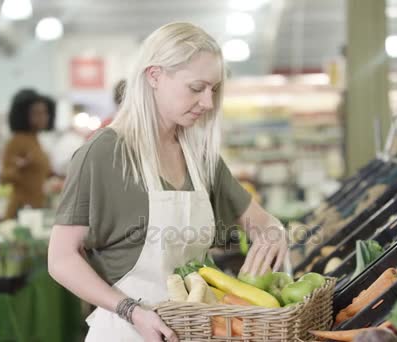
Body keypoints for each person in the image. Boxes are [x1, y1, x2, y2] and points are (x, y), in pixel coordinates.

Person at [47, 22, 289, 342]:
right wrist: (131, 310)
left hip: (196, 332)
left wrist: (275, 232)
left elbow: (261, 222)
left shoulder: (200, 159)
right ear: (155, 76)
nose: (207, 103)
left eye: (213, 90)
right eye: (196, 88)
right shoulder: (104, 153)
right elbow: (61, 259)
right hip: (128, 332)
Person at [0, 89, 55, 218]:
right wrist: (18, 168)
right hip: (20, 212)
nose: (43, 117)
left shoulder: (36, 140)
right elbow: (3, 178)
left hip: (36, 210)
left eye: (45, 112)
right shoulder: (17, 141)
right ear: (24, 115)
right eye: (37, 113)